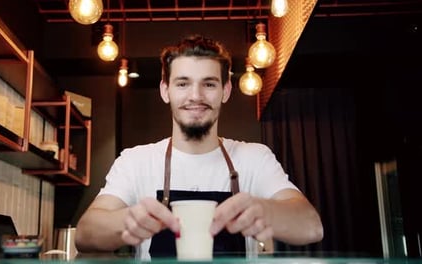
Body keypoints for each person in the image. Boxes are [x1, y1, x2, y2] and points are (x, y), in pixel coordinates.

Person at [75, 35, 323, 259]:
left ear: (225, 91)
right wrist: (126, 220)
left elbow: (312, 227)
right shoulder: (135, 161)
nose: (196, 95)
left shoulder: (255, 158)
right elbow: (85, 235)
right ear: (165, 90)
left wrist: (267, 211)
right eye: (183, 83)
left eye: (209, 84)